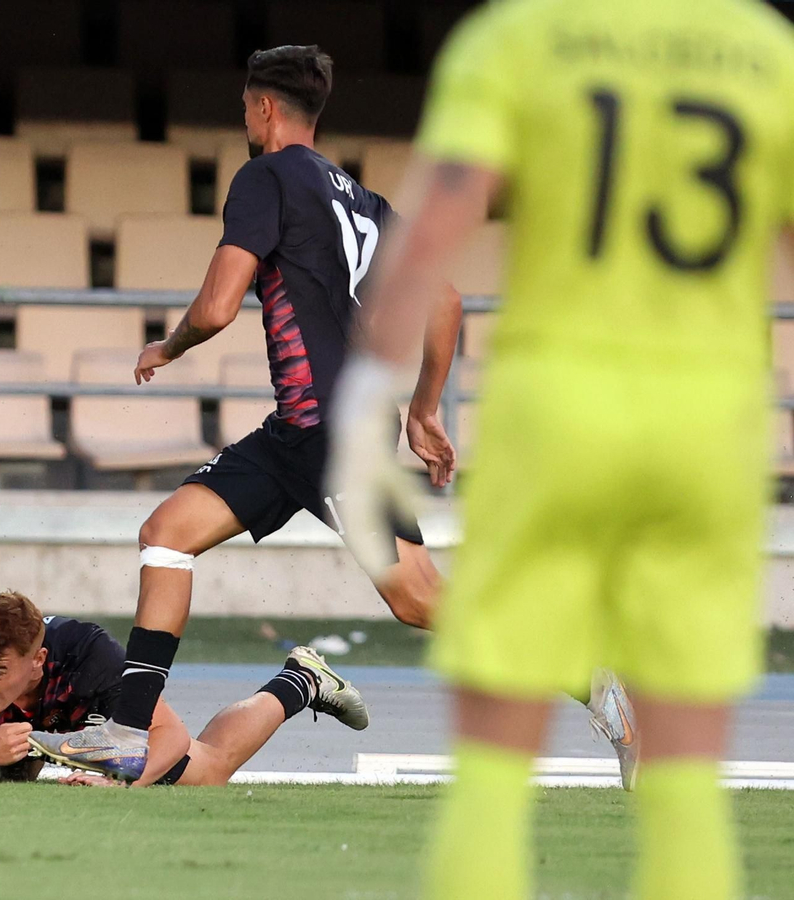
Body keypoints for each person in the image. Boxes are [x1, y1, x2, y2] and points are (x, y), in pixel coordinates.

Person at [29, 44, 636, 786]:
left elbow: (219, 307)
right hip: (299, 434)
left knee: (421, 603)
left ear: (263, 108)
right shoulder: (366, 204)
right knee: (167, 534)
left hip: (334, 437)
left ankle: (593, 674)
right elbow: (444, 299)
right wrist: (424, 408)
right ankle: (125, 731)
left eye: (246, 110)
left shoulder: (264, 177)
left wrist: (169, 344)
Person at [324, 0, 794, 896]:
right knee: (687, 778)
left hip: (559, 411)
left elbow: (434, 230)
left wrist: (365, 404)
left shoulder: (517, 38)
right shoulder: (765, 52)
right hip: (709, 419)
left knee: (495, 773)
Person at [0, 591, 366, 786]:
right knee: (4, 778)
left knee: (207, 772)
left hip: (96, 720)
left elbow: (172, 736)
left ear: (39, 661)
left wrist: (122, 786)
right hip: (51, 729)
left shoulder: (90, 655)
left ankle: (302, 680)